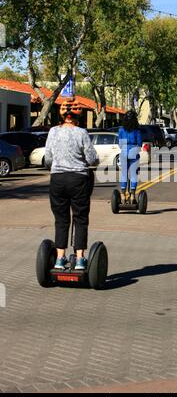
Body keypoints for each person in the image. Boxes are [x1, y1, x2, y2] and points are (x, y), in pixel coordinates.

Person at [44, 98, 99, 270]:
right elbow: (92, 159)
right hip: (78, 179)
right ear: (77, 116)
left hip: (58, 180)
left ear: (62, 116)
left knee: (61, 219)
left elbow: (48, 159)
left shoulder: (53, 132)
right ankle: (80, 259)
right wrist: (94, 161)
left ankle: (60, 259)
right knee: (80, 218)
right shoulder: (81, 133)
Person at [118, 110, 142, 204]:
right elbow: (140, 143)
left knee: (124, 174)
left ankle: (123, 196)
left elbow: (120, 144)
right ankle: (132, 196)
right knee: (133, 175)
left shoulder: (121, 129)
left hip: (124, 151)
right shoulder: (137, 130)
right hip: (134, 151)